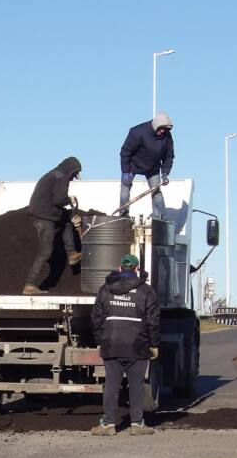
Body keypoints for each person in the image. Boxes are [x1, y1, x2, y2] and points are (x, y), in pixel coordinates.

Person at [90, 254, 161, 436]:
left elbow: (96, 318)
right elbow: (153, 321)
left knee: (112, 384)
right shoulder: (146, 291)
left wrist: (101, 340)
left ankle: (108, 425)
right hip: (138, 346)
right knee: (136, 384)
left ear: (120, 268)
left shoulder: (106, 289)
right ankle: (137, 425)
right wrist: (154, 344)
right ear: (137, 270)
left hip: (112, 344)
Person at [23, 156, 83, 296]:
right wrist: (70, 199)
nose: (73, 178)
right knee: (46, 250)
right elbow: (59, 200)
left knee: (66, 222)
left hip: (43, 212)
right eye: (74, 175)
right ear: (71, 170)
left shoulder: (54, 174)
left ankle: (72, 254)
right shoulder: (61, 177)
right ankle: (30, 284)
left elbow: (54, 200)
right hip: (44, 216)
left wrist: (69, 213)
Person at [119, 112, 174, 218]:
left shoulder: (167, 137)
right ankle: (123, 215)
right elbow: (125, 151)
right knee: (124, 192)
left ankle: (158, 217)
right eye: (161, 128)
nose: (162, 131)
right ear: (156, 125)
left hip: (153, 168)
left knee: (156, 193)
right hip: (133, 166)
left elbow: (169, 156)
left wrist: (165, 173)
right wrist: (125, 172)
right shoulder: (137, 132)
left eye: (165, 129)